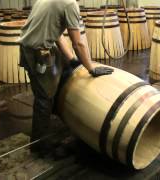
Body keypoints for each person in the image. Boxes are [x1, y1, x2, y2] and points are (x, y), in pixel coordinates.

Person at [19, 0, 114, 155]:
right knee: (44, 99)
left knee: (54, 84)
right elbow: (78, 43)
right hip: (38, 52)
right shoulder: (70, 4)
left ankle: (51, 123)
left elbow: (57, 35)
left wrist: (71, 60)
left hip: (31, 47)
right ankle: (39, 146)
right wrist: (91, 68)